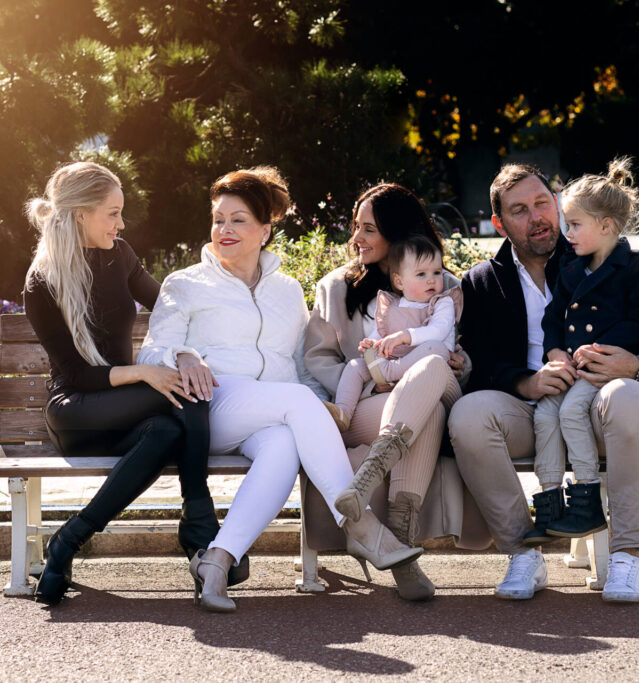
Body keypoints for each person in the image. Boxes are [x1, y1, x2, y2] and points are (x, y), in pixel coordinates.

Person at [137, 167, 421, 613]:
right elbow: (151, 352)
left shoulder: (287, 291)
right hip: (210, 403)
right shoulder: (185, 283)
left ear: (265, 231)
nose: (223, 230)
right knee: (295, 405)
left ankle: (216, 563)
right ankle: (362, 527)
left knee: (284, 447)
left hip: (269, 411)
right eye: (218, 219)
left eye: (238, 220)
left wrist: (320, 406)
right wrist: (183, 355)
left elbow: (295, 367)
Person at [448, 163, 639, 604]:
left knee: (628, 394)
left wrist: (634, 364)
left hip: (599, 404)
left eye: (543, 203)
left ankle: (626, 557)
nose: (537, 216)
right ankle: (523, 552)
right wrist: (526, 382)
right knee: (468, 414)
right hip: (528, 411)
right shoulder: (482, 282)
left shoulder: (598, 254)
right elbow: (480, 361)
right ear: (500, 223)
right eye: (520, 210)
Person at [23, 161, 225, 605]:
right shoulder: (42, 281)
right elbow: (75, 375)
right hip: (77, 410)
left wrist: (185, 351)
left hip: (129, 410)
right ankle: (199, 523)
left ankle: (69, 540)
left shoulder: (121, 255)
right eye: (112, 213)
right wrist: (142, 373)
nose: (120, 223)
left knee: (176, 413)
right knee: (178, 394)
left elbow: (170, 308)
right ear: (81, 214)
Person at [305, 183, 466, 601]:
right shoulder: (337, 288)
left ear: (397, 233)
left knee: (429, 368)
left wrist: (463, 363)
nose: (356, 238)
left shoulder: (442, 284)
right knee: (422, 411)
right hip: (368, 403)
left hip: (436, 386)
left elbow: (460, 348)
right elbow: (317, 358)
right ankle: (401, 545)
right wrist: (372, 374)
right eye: (356, 227)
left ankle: (366, 491)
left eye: (368, 229)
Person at [527, 157, 639, 544]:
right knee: (545, 414)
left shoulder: (634, 266)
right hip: (571, 366)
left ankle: (586, 500)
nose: (566, 233)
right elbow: (553, 316)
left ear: (606, 226)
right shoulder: (572, 267)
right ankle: (550, 501)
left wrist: (602, 346)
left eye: (574, 225)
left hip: (600, 368)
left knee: (568, 411)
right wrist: (554, 351)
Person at [325, 234, 462, 435]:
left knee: (437, 349)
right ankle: (344, 412)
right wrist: (371, 345)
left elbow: (437, 331)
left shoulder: (442, 303)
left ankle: (388, 374)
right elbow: (380, 333)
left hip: (428, 372)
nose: (431, 279)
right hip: (395, 364)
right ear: (399, 282)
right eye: (421, 274)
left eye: (437, 272)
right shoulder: (391, 306)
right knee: (355, 366)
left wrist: (405, 336)